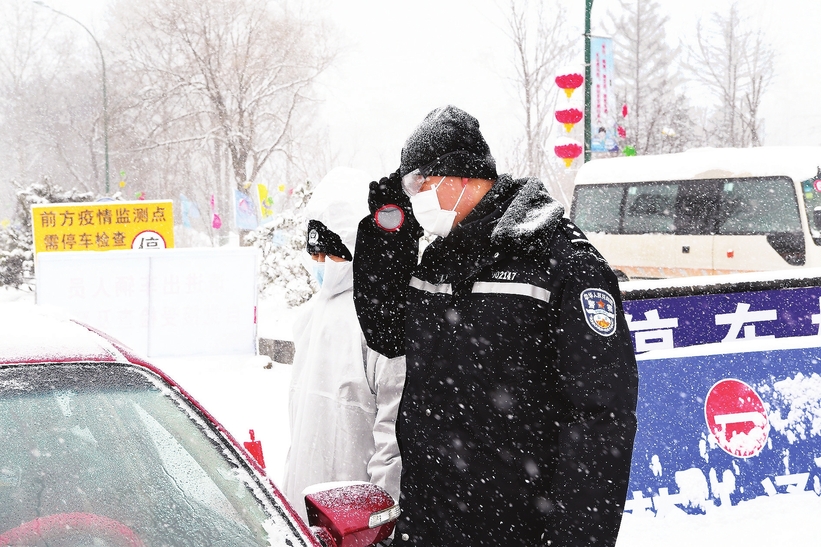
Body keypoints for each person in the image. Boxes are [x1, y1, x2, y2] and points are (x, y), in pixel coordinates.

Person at [353, 106, 638, 546]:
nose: (414, 198)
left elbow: (601, 418)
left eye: (418, 184)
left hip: (516, 526)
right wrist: (387, 238)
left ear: (459, 175)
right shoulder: (439, 260)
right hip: (432, 521)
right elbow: (386, 333)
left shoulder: (561, 263)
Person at [282, 167, 405, 523]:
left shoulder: (381, 321)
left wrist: (380, 521)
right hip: (303, 505)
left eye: (331, 253)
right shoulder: (310, 316)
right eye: (315, 254)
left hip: (355, 521)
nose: (320, 264)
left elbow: (391, 440)